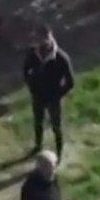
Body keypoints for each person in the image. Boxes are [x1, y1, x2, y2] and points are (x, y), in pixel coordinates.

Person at [22, 25, 75, 160]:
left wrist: (57, 94)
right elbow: (25, 70)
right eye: (37, 39)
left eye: (42, 39)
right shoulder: (33, 53)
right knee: (38, 123)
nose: (39, 43)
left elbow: (70, 82)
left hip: (53, 99)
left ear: (49, 38)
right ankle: (38, 146)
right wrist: (31, 86)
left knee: (56, 126)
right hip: (38, 96)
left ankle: (59, 152)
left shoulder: (61, 58)